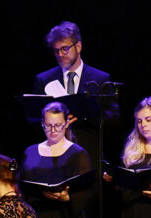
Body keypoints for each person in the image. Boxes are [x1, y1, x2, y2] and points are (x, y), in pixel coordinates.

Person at [32, 22, 119, 176]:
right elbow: (31, 117)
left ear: (78, 47)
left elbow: (113, 118)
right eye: (56, 51)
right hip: (53, 159)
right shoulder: (44, 79)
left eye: (65, 49)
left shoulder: (100, 79)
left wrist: (83, 117)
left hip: (89, 158)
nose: (60, 54)